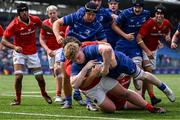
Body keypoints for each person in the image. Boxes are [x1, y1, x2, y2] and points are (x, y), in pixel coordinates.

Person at [62, 36, 174, 113]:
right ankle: (96, 102)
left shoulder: (86, 47)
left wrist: (108, 65)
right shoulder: (71, 64)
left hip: (113, 68)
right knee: (112, 109)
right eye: (73, 59)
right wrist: (87, 70)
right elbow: (77, 85)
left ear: (79, 47)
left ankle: (160, 92)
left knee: (137, 79)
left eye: (77, 56)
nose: (77, 60)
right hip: (93, 86)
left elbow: (107, 47)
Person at [53, 1, 107, 110]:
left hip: (86, 51)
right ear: (84, 13)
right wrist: (58, 36)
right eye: (88, 14)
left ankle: (89, 102)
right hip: (70, 48)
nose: (91, 17)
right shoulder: (76, 16)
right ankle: (68, 101)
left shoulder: (98, 25)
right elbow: (56, 23)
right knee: (66, 76)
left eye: (93, 15)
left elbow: (104, 41)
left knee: (89, 75)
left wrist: (93, 45)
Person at [112, 0, 161, 105]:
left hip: (136, 44)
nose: (137, 9)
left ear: (143, 7)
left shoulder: (147, 14)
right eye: (135, 7)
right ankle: (114, 95)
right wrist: (125, 35)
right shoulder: (125, 13)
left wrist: (157, 40)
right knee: (117, 69)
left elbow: (149, 28)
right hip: (122, 44)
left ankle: (139, 97)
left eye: (139, 7)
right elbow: (114, 26)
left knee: (138, 68)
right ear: (133, 6)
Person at [1, 3, 52, 105]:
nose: (25, 13)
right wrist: (14, 47)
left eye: (26, 11)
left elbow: (43, 26)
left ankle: (44, 93)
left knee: (40, 79)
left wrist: (55, 33)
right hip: (19, 53)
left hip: (32, 53)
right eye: (22, 11)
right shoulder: (14, 24)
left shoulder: (35, 19)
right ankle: (17, 99)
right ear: (18, 13)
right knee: (18, 77)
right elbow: (3, 41)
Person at [136, 4, 171, 89]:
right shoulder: (149, 23)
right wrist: (147, 51)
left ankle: (143, 96)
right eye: (157, 13)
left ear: (164, 15)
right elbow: (138, 37)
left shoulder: (166, 23)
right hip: (144, 49)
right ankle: (152, 96)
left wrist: (167, 36)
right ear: (155, 14)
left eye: (161, 14)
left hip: (154, 50)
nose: (159, 16)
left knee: (148, 75)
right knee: (148, 71)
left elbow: (167, 30)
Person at [40, 5, 67, 104]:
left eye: (54, 13)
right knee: (55, 73)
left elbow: (68, 36)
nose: (52, 15)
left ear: (57, 13)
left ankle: (58, 95)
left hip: (60, 49)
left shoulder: (63, 23)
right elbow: (41, 39)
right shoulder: (45, 24)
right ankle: (66, 93)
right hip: (50, 51)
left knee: (57, 69)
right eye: (50, 13)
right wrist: (47, 50)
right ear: (48, 14)